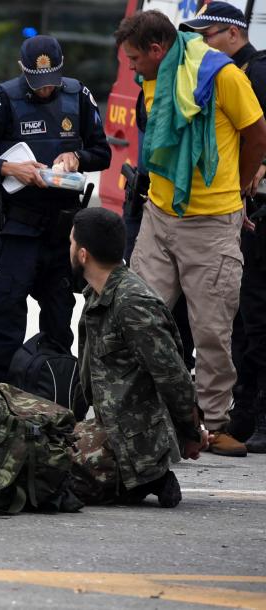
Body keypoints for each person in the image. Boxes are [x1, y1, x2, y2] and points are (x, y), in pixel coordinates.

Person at [116, 10, 266, 457]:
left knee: (212, 330)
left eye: (134, 58)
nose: (131, 68)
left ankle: (214, 424)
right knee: (139, 316)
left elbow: (257, 131)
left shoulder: (221, 74)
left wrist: (238, 189)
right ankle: (144, 412)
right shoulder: (155, 75)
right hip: (160, 214)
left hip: (212, 222)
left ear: (157, 51)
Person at [0, 35, 111, 400]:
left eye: (51, 82)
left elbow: (103, 152)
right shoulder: (2, 98)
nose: (45, 89)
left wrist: (77, 157)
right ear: (21, 70)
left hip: (63, 232)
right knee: (4, 317)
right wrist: (8, 168)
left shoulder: (78, 96)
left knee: (60, 321)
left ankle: (54, 402)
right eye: (37, 82)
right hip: (18, 229)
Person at [68, 208, 208, 507]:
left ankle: (151, 477)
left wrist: (192, 432)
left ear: (82, 255)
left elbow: (173, 376)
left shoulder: (132, 302)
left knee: (46, 480)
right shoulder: (99, 293)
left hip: (135, 442)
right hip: (113, 429)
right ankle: (142, 478)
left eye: (70, 243)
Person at [179, 2, 266, 454]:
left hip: (252, 211)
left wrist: (244, 188)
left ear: (232, 33)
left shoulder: (253, 74)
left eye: (208, 34)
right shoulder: (222, 72)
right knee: (239, 315)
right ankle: (237, 417)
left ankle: (252, 417)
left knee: (254, 317)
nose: (202, 43)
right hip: (236, 210)